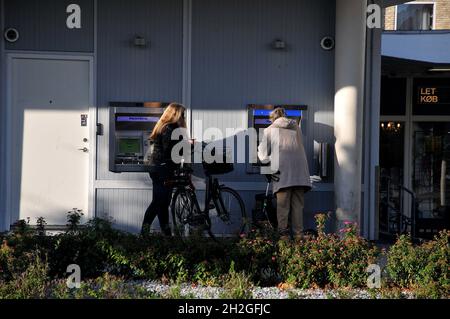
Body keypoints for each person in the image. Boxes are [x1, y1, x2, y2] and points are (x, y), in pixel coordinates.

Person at [257, 108, 311, 239]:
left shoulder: (270, 130)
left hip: (283, 172)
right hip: (300, 173)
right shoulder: (296, 127)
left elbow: (263, 154)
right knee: (297, 207)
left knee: (283, 207)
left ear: (272, 118)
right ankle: (299, 237)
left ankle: (284, 238)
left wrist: (268, 160)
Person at [141, 103, 188, 236]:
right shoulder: (171, 128)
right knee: (158, 203)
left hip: (158, 168)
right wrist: (187, 146)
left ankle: (166, 234)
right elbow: (170, 151)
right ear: (175, 114)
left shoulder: (163, 126)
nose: (183, 117)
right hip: (163, 169)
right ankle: (143, 233)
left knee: (162, 203)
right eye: (182, 114)